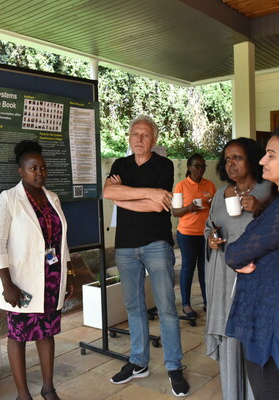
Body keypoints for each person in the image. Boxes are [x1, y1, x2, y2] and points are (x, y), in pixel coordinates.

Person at [103, 115, 189, 397]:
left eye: (145, 135)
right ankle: (139, 362)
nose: (139, 139)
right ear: (129, 137)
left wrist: (124, 197)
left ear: (154, 140)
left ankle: (174, 365)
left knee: (166, 307)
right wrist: (147, 194)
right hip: (126, 246)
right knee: (134, 307)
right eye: (135, 134)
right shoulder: (119, 164)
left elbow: (158, 207)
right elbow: (108, 192)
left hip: (156, 244)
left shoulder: (164, 165)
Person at [0, 140, 74, 400]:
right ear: (20, 171)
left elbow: (62, 240)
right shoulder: (8, 200)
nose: (40, 173)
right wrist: (8, 285)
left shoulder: (52, 198)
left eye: (43, 168)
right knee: (18, 336)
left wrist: (69, 274)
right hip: (21, 282)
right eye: (32, 168)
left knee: (46, 333)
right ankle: (22, 394)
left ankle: (48, 389)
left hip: (51, 279)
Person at [224, 124, 279, 400]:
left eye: (271, 155)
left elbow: (235, 253)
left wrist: (240, 256)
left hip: (273, 322)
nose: (263, 160)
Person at [204, 137, 270, 400]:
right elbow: (210, 226)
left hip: (256, 277)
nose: (230, 163)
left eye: (237, 157)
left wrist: (260, 209)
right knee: (230, 338)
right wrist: (210, 238)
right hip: (223, 276)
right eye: (227, 158)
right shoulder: (221, 195)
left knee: (254, 339)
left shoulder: (268, 192)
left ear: (252, 160)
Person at [172, 154, 216, 317]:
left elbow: (214, 208)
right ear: (189, 168)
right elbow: (175, 212)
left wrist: (212, 203)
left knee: (205, 269)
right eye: (197, 166)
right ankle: (186, 304)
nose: (200, 169)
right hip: (187, 234)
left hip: (205, 234)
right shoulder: (181, 186)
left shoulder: (209, 185)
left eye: (203, 166)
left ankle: (207, 302)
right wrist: (189, 208)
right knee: (188, 268)